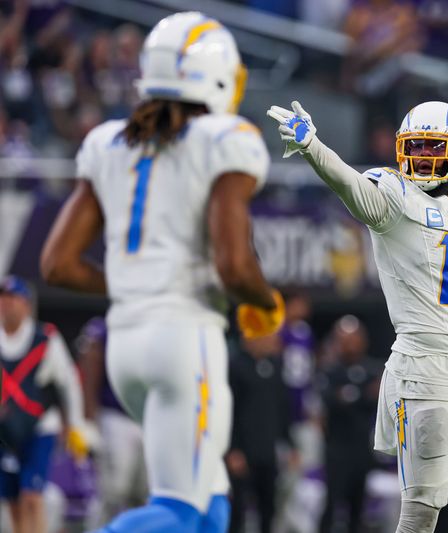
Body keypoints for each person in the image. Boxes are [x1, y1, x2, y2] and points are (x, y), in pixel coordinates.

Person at [39, 12, 284, 533]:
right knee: (182, 508)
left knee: (210, 499)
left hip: (126, 346)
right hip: (183, 340)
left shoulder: (109, 141)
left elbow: (56, 263)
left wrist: (136, 284)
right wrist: (265, 303)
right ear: (216, 76)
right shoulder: (224, 137)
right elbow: (235, 265)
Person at [267, 100, 448, 533]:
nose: (426, 157)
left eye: (437, 148)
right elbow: (350, 186)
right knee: (422, 508)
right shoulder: (393, 202)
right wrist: (312, 147)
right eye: (417, 146)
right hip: (425, 371)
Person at [0, 275, 89, 533]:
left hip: (39, 428)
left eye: (12, 298)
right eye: (2, 298)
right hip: (5, 432)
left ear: (26, 304)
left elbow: (68, 383)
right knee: (12, 500)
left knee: (33, 496)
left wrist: (76, 425)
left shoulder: (45, 338)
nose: (6, 304)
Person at [76, 317, 147, 527]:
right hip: (115, 416)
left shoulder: (155, 323)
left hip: (149, 420)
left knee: (145, 494)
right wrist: (88, 419)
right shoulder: (107, 326)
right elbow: (90, 366)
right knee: (112, 492)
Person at [318, 315, 382, 533]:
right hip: (336, 450)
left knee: (358, 508)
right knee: (332, 505)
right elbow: (331, 401)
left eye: (353, 339)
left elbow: (376, 397)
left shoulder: (372, 369)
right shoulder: (329, 371)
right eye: (344, 340)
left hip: (362, 450)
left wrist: (351, 396)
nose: (349, 345)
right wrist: (361, 395)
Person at [227, 332, 296, 533]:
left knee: (268, 507)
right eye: (267, 336)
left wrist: (290, 444)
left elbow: (282, 408)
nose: (274, 341)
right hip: (242, 452)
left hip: (267, 450)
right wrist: (232, 449)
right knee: (237, 510)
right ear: (250, 338)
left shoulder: (274, 366)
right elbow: (229, 410)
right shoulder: (235, 366)